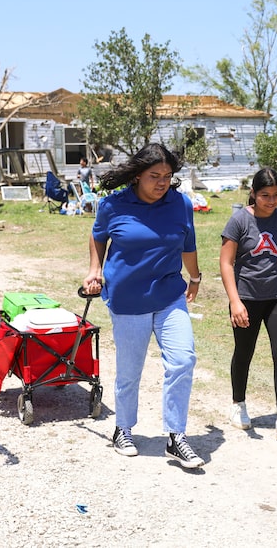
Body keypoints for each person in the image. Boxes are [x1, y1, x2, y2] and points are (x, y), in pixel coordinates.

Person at [82, 143, 205, 469]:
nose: (162, 182)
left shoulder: (180, 204)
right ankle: (123, 429)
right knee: (130, 371)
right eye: (154, 176)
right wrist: (95, 271)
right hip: (128, 300)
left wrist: (194, 277)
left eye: (167, 176)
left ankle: (175, 436)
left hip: (168, 296)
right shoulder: (113, 204)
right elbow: (98, 237)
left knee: (183, 360)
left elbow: (187, 244)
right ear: (137, 175)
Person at [219, 167, 277, 445]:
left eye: (276, 195)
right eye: (265, 195)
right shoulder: (238, 221)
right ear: (253, 194)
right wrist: (235, 301)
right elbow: (226, 263)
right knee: (244, 351)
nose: (271, 201)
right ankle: (238, 404)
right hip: (246, 297)